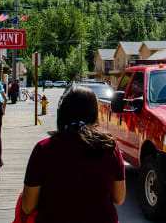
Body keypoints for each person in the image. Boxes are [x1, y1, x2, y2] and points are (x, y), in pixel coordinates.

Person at [20, 85, 125, 222]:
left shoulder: (43, 149)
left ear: (62, 113)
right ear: (94, 114)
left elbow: (27, 206)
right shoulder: (110, 148)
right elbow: (119, 198)